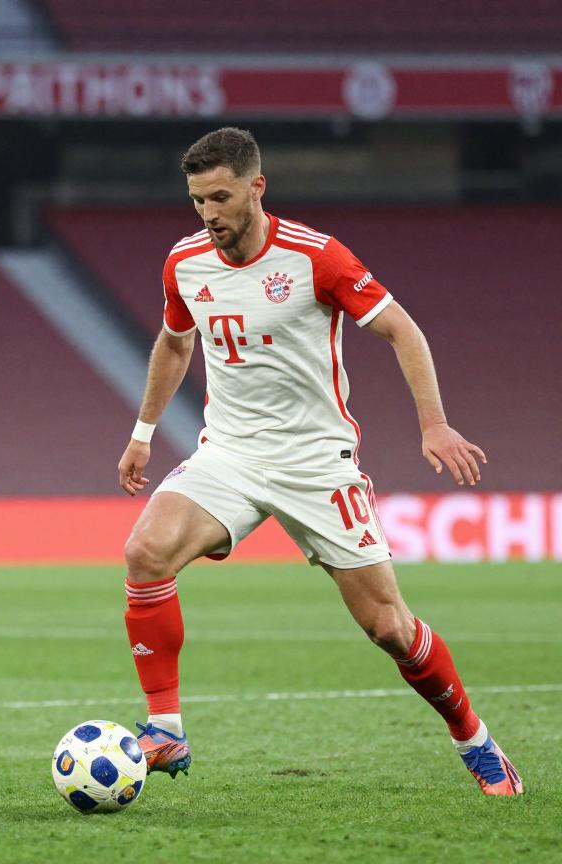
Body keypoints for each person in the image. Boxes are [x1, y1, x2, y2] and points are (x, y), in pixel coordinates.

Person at [116, 127, 521, 796]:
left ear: (257, 187)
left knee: (389, 627)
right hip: (230, 453)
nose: (209, 213)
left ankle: (473, 738)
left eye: (220, 197)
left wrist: (434, 424)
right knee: (145, 552)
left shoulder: (315, 256)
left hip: (315, 463)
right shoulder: (184, 262)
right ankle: (165, 730)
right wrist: (143, 432)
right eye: (197, 200)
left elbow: (402, 329)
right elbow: (174, 343)